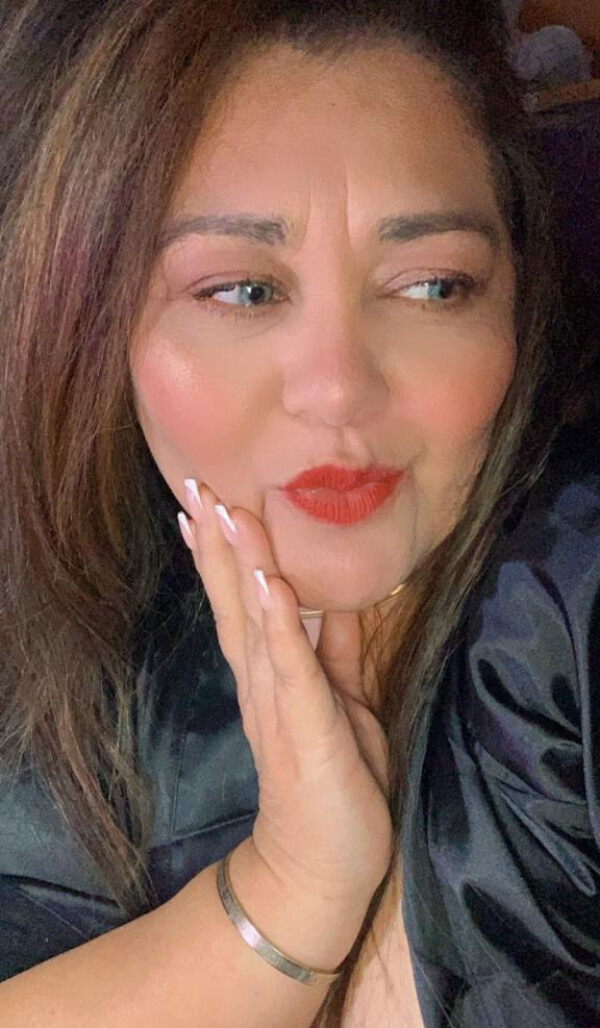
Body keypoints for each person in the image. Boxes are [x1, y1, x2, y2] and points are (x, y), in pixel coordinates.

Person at [0, 1, 584, 1025]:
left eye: (432, 286)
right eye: (241, 291)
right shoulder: (53, 647)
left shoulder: (564, 604)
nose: (337, 388)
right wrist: (294, 887)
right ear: (87, 318)